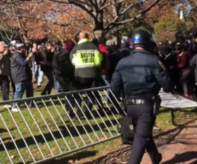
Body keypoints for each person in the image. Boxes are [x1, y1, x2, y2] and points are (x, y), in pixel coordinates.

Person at [110, 30, 173, 164]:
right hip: (146, 105)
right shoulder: (154, 60)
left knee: (143, 133)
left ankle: (155, 156)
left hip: (129, 105)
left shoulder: (122, 62)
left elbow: (114, 87)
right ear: (148, 43)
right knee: (140, 138)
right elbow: (167, 84)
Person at [70, 31, 103, 118]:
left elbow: (72, 61)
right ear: (88, 38)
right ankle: (86, 110)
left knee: (78, 94)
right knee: (91, 94)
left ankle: (79, 111)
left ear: (80, 38)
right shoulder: (95, 47)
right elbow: (100, 59)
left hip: (80, 74)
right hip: (94, 74)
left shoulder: (76, 48)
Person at [11, 43, 34, 112]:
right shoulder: (16, 55)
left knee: (30, 90)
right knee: (19, 91)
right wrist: (29, 57)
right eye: (23, 47)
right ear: (20, 48)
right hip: (19, 76)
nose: (25, 49)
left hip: (26, 76)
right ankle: (14, 106)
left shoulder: (21, 54)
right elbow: (23, 63)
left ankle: (29, 104)